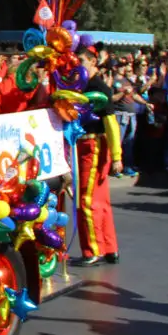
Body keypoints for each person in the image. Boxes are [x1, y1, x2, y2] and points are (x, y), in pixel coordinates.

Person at [72, 44, 122, 266]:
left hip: (93, 146)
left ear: (93, 61)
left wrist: (117, 155)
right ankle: (109, 247)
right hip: (85, 146)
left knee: (87, 199)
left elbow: (110, 122)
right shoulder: (78, 85)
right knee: (101, 200)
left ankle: (93, 249)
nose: (78, 66)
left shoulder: (98, 87)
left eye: (82, 61)